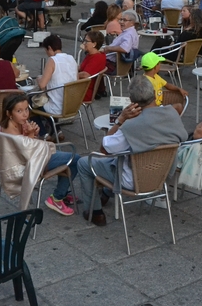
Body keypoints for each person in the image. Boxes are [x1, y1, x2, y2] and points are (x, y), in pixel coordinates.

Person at [75, 75, 188, 226]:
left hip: (134, 181)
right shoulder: (172, 114)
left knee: (84, 163)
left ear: (132, 101)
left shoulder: (130, 126)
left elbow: (104, 149)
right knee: (120, 157)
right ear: (155, 94)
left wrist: (120, 120)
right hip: (162, 176)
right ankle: (107, 192)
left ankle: (95, 213)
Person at [0, 93, 80, 217]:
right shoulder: (10, 130)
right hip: (28, 167)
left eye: (26, 109)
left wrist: (35, 134)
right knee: (75, 159)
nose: (25, 114)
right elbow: (27, 154)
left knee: (66, 158)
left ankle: (62, 192)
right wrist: (31, 136)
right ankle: (57, 197)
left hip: (34, 159)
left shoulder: (16, 123)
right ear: (9, 113)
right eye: (19, 111)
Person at [33, 35, 78, 138]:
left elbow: (42, 85)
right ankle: (58, 131)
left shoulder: (52, 60)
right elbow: (76, 80)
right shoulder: (71, 58)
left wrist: (40, 79)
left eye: (46, 50)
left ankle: (44, 134)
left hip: (57, 107)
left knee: (31, 103)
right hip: (72, 105)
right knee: (50, 100)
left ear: (49, 48)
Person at [104, 10, 140, 74]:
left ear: (132, 23)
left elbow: (125, 49)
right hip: (113, 62)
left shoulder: (129, 34)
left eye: (124, 20)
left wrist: (108, 48)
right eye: (121, 19)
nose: (121, 22)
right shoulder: (128, 32)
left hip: (113, 65)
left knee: (92, 63)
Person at [78, 31, 107, 100]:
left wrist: (70, 74)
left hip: (83, 91)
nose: (84, 43)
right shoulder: (91, 54)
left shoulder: (97, 58)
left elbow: (86, 75)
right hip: (81, 86)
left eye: (86, 41)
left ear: (94, 44)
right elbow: (80, 67)